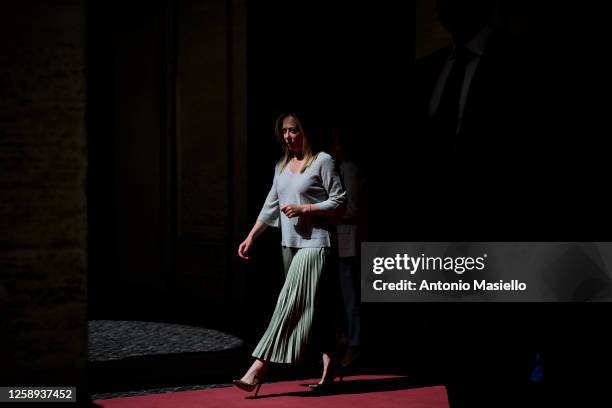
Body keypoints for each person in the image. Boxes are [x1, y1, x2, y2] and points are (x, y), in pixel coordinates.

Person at [233, 111, 347, 396]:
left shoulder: (322, 161)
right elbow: (270, 206)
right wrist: (250, 237)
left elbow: (340, 200)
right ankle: (332, 365)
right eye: (284, 131)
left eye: (293, 130)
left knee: (288, 303)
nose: (287, 136)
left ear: (305, 131)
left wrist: (306, 208)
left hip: (316, 245)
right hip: (289, 246)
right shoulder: (281, 166)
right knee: (317, 312)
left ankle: (258, 368)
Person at [330, 126, 364, 369]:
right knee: (341, 296)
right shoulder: (340, 168)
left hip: (348, 241)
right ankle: (344, 339)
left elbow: (352, 208)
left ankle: (354, 343)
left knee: (350, 296)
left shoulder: (350, 169)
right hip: (337, 240)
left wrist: (328, 214)